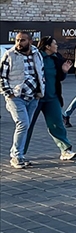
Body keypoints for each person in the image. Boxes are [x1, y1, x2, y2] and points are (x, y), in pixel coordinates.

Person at [23, 36, 76, 162]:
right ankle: (19, 153)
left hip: (52, 97)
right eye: (55, 44)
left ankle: (65, 150)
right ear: (47, 46)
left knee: (57, 123)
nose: (57, 46)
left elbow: (59, 77)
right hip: (35, 97)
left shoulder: (56, 58)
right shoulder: (35, 57)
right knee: (27, 125)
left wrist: (64, 71)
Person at [1, 32, 46, 168]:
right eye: (17, 40)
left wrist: (40, 91)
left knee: (26, 126)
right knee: (23, 124)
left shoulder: (36, 54)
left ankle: (20, 154)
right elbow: (2, 76)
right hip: (16, 97)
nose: (19, 43)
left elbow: (41, 72)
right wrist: (9, 93)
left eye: (22, 40)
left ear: (30, 41)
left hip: (33, 97)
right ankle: (16, 156)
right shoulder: (10, 54)